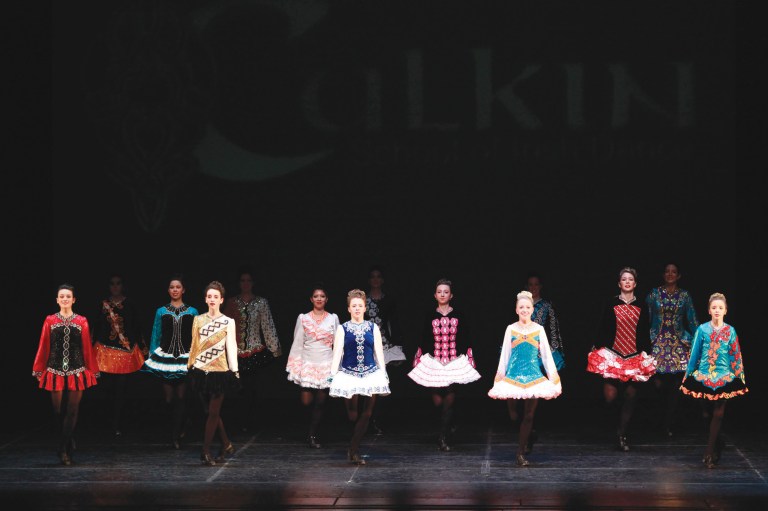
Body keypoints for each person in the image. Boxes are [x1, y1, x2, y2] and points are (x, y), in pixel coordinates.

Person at [488, 290, 562, 466]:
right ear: (516, 309)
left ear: (532, 309)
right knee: (515, 416)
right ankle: (521, 428)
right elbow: (505, 355)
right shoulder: (511, 329)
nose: (524, 310)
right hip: (513, 377)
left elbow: (546, 356)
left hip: (534, 377)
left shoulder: (539, 329)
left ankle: (520, 453)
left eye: (528, 307)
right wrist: (499, 377)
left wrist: (553, 377)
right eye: (521, 307)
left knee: (529, 416)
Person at [586, 267, 655, 452]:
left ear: (635, 283)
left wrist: (647, 354)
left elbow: (644, 331)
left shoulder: (642, 305)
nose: (627, 282)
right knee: (610, 397)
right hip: (613, 354)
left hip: (634, 356)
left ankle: (622, 433)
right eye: (624, 279)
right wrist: (596, 347)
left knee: (631, 395)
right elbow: (603, 326)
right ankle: (616, 423)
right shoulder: (611, 303)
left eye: (630, 279)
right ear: (619, 283)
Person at [408, 278, 481, 451]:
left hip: (454, 360)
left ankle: (443, 436)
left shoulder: (459, 315)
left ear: (451, 295)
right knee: (437, 401)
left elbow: (465, 336)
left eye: (446, 292)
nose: (442, 294)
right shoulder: (430, 315)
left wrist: (468, 356)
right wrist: (419, 357)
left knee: (450, 395)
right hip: (435, 360)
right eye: (439, 292)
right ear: (435, 295)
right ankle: (451, 420)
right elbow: (425, 337)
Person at [32, 284, 100, 465]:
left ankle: (64, 449)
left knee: (72, 410)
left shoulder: (82, 321)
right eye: (61, 296)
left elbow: (86, 347)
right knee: (58, 411)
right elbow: (44, 345)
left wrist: (92, 369)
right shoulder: (50, 320)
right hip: (54, 370)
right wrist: (39, 368)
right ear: (57, 300)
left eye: (68, 296)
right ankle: (68, 438)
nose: (65, 299)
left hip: (77, 371)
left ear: (73, 300)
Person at [680, 292, 748, 468]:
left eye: (720, 307)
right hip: (704, 376)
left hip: (724, 377)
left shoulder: (730, 330)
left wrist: (739, 376)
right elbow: (695, 354)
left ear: (725, 310)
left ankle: (709, 452)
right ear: (709, 310)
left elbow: (735, 355)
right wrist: (688, 375)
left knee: (718, 413)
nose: (717, 310)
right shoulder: (702, 330)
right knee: (706, 414)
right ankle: (717, 442)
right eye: (714, 307)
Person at [328, 289, 390, 464]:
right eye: (353, 306)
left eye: (360, 305)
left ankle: (353, 449)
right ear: (349, 308)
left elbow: (378, 353)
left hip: (370, 373)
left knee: (367, 412)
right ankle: (353, 446)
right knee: (353, 415)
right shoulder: (343, 329)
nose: (357, 308)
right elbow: (337, 353)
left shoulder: (372, 327)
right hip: (349, 373)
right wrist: (332, 375)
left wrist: (383, 372)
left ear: (364, 308)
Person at [141, 275, 199, 449]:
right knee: (168, 399)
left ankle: (176, 435)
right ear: (168, 290)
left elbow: (196, 336)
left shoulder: (192, 311)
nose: (175, 290)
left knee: (181, 396)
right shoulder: (161, 311)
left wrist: (196, 357)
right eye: (172, 287)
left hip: (184, 358)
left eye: (178, 287)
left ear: (183, 290)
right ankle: (179, 425)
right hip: (165, 358)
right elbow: (156, 333)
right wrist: (152, 355)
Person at [188, 281, 241, 466]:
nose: (212, 299)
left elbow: (231, 347)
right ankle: (226, 443)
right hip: (201, 371)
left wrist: (235, 371)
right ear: (205, 299)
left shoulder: (228, 322)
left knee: (213, 412)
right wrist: (190, 365)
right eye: (209, 296)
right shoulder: (198, 320)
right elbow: (194, 345)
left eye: (215, 297)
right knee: (209, 411)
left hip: (220, 372)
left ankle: (205, 451)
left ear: (221, 300)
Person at [222, 268, 281, 431]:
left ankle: (251, 422)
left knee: (253, 387)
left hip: (255, 352)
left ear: (253, 283)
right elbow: (224, 326)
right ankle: (238, 421)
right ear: (239, 283)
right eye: (243, 280)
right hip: (236, 351)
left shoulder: (261, 302)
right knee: (237, 388)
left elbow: (267, 325)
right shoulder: (232, 302)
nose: (246, 283)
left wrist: (274, 349)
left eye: (248, 280)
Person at [645, 263, 699, 437]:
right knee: (657, 384)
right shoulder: (654, 294)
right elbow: (646, 318)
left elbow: (692, 319)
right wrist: (642, 339)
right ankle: (656, 420)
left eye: (673, 272)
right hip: (657, 342)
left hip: (678, 343)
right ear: (663, 274)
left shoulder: (684, 295)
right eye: (667, 271)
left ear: (678, 275)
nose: (670, 274)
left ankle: (669, 423)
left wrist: (700, 339)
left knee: (676, 386)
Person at [507, 273, 566, 426]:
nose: (533, 288)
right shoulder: (520, 304)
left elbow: (553, 328)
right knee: (514, 381)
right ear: (526, 287)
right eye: (530, 285)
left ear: (540, 286)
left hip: (538, 351)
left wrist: (554, 349)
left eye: (536, 284)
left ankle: (529, 421)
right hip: (520, 349)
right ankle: (515, 412)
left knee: (534, 387)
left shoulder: (547, 305)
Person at [285, 284, 340, 448]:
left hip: (326, 364)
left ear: (326, 299)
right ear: (311, 299)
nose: (319, 299)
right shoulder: (303, 318)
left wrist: (338, 365)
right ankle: (308, 428)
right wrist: (295, 365)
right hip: (308, 363)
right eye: (316, 296)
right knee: (306, 402)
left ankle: (312, 434)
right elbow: (298, 342)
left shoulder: (333, 318)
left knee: (321, 402)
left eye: (322, 296)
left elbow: (338, 343)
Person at [92, 273, 147, 437]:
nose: (115, 286)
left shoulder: (130, 304)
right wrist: (90, 349)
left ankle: (119, 424)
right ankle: (108, 423)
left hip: (125, 352)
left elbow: (137, 327)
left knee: (122, 390)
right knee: (107, 389)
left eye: (118, 283)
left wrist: (143, 349)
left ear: (122, 286)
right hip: (105, 352)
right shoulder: (103, 304)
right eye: (112, 283)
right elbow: (96, 326)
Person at [364, 265, 405, 435]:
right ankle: (366, 419)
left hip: (383, 345)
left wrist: (397, 345)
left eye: (378, 276)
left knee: (380, 383)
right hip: (366, 344)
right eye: (372, 276)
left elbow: (393, 322)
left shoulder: (388, 300)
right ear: (369, 280)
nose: (375, 279)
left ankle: (375, 420)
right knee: (367, 384)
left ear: (382, 280)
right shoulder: (362, 300)